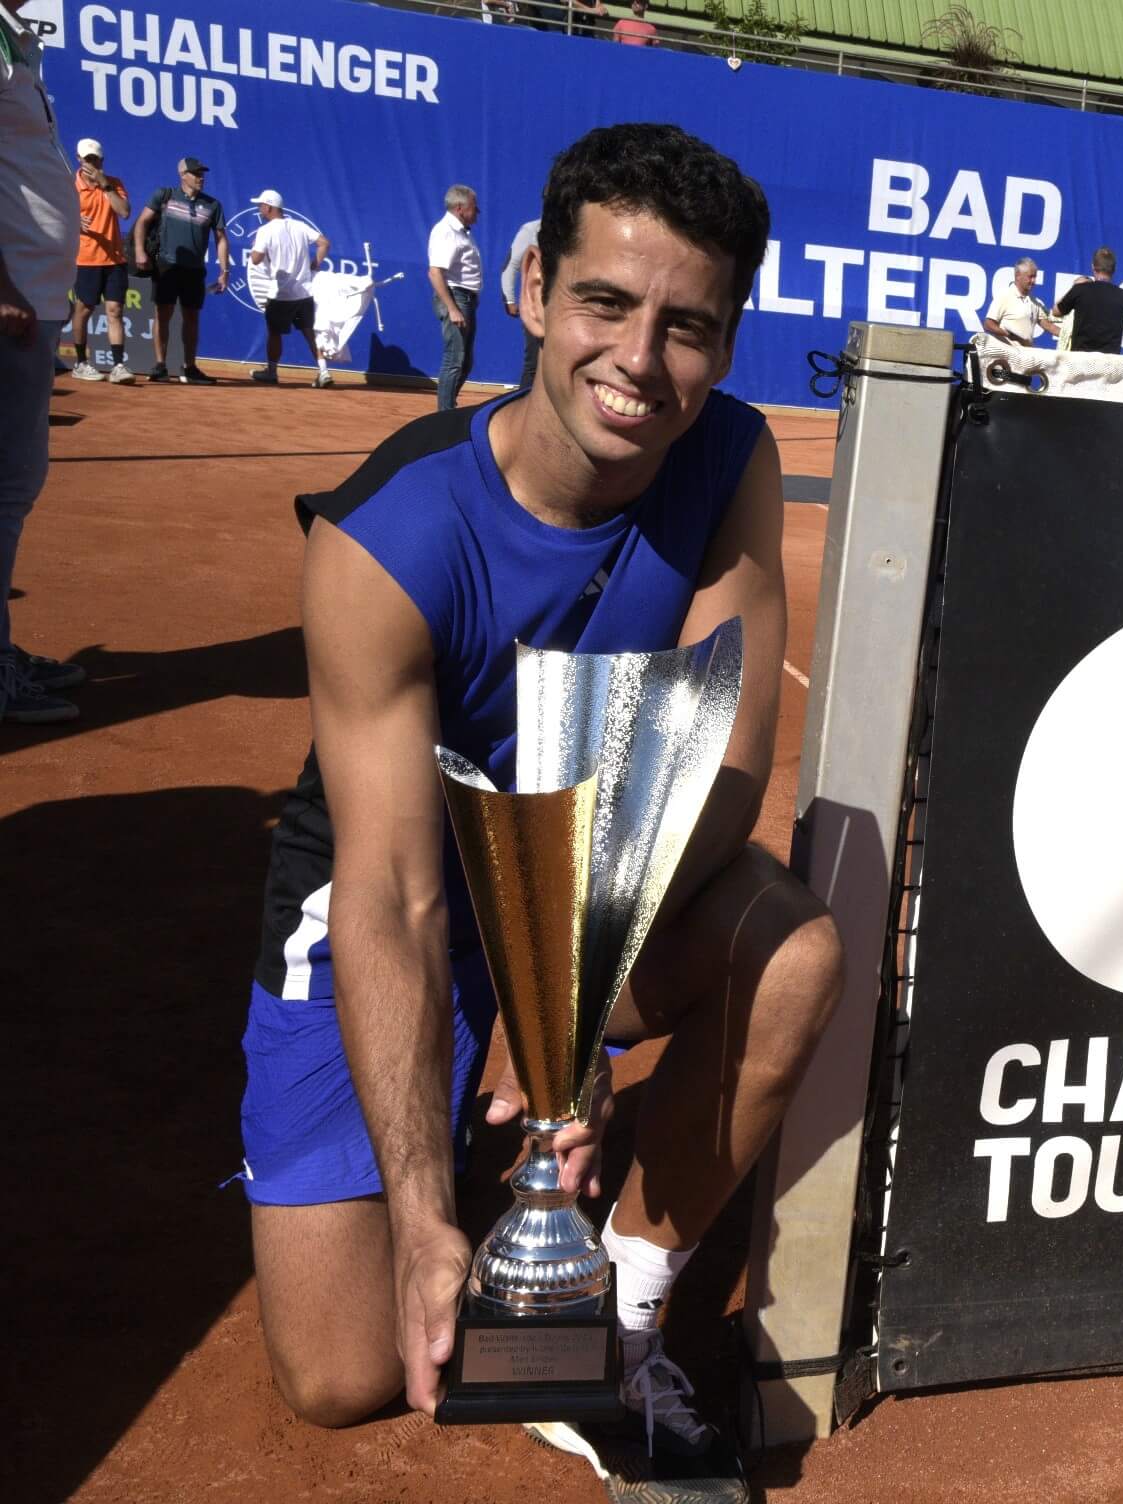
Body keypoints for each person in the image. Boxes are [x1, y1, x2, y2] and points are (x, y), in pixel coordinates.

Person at [238, 123, 841, 1493]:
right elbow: (389, 891)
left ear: (730, 341)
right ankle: (476, 1162)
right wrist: (423, 1207)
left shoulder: (728, 457)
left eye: (688, 326)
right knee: (343, 1375)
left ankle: (621, 1318)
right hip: (394, 896)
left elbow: (728, 763)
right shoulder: (385, 539)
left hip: (597, 883)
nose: (639, 361)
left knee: (794, 947)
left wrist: (556, 1000)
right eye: (607, 305)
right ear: (532, 296)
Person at [1, 0, 90, 725]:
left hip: (32, 296)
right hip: (13, 300)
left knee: (13, 484)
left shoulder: (15, 40)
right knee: (5, 485)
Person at [132, 156, 229, 384]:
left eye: (202, 174)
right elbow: (142, 222)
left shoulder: (213, 205)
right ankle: (160, 366)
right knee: (162, 314)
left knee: (191, 317)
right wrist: (139, 251)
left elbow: (221, 239)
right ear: (182, 175)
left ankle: (190, 367)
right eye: (195, 174)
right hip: (167, 265)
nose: (200, 178)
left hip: (195, 269)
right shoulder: (164, 196)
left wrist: (225, 271)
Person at [246, 189, 332, 387]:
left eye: (261, 206)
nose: (260, 209)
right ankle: (324, 371)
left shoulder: (265, 231)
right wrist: (314, 264)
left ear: (268, 207)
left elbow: (256, 260)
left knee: (274, 332)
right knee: (309, 332)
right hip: (304, 292)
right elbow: (324, 244)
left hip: (281, 294)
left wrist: (255, 248)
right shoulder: (299, 226)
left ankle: (272, 372)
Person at [68, 138, 134, 384]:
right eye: (87, 160)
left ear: (102, 161)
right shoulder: (69, 187)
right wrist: (74, 222)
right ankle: (80, 363)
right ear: (79, 160)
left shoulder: (114, 184)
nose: (91, 164)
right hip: (85, 259)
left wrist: (105, 185)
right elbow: (55, 220)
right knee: (83, 310)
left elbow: (124, 212)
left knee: (115, 310)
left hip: (115, 259)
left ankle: (118, 366)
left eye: (95, 160)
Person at [427, 184, 483, 411]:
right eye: (474, 207)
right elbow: (435, 272)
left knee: (465, 362)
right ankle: (444, 416)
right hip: (455, 297)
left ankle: (447, 406)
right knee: (455, 360)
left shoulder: (460, 232)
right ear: (460, 208)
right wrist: (452, 307)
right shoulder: (445, 232)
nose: (477, 212)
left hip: (465, 300)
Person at [1051, 246, 1123, 354]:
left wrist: (1073, 288)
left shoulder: (1080, 290)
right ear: (1113, 270)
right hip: (1108, 364)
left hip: (1080, 361)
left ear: (1093, 267)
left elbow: (1056, 311)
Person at [499, 214, 542, 388]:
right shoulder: (531, 230)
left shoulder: (574, 226)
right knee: (533, 363)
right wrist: (509, 299)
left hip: (563, 306)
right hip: (536, 305)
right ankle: (524, 409)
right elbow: (511, 265)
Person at [983, 257, 1056, 346]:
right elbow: (988, 324)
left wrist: (1071, 336)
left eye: (1035, 277)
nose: (1033, 281)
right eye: (1030, 277)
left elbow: (1049, 326)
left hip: (1025, 355)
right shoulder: (1004, 296)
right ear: (1018, 276)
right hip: (1007, 356)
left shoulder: (1034, 302)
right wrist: (1008, 334)